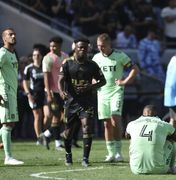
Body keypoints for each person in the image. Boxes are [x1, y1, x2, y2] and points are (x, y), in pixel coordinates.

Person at [59, 38, 106, 167]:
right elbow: (61, 80)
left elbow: (103, 81)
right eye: (80, 47)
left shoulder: (92, 65)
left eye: (85, 47)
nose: (82, 50)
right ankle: (68, 154)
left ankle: (85, 158)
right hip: (71, 102)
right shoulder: (67, 63)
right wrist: (62, 91)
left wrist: (90, 87)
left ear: (88, 49)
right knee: (68, 132)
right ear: (75, 48)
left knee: (87, 127)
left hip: (87, 102)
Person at [93, 33, 140, 162]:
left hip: (116, 91)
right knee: (106, 123)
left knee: (115, 118)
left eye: (102, 46)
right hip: (102, 93)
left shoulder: (120, 55)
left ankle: (119, 152)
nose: (100, 48)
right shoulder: (96, 58)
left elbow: (135, 68)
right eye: (98, 46)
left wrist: (125, 81)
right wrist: (93, 81)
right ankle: (111, 153)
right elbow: (93, 74)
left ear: (109, 45)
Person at [126, 105, 176, 174]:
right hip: (159, 169)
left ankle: (135, 162)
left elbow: (127, 136)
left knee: (132, 140)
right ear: (156, 114)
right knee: (171, 141)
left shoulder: (132, 124)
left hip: (135, 170)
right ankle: (172, 168)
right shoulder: (163, 124)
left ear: (143, 114)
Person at [39, 37, 68, 150]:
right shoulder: (47, 58)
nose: (52, 48)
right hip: (53, 92)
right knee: (56, 117)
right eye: (51, 46)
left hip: (63, 91)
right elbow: (46, 77)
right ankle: (57, 143)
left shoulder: (65, 56)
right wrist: (49, 94)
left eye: (55, 46)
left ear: (60, 45)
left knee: (65, 116)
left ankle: (46, 134)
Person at [0, 28, 24, 165]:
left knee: (12, 123)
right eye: (10, 34)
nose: (13, 36)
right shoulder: (2, 53)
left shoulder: (13, 53)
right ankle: (8, 157)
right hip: (5, 91)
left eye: (14, 34)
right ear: (4, 38)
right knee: (7, 123)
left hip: (12, 92)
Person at [22, 48, 50, 145]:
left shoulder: (45, 66)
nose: (36, 57)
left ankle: (44, 134)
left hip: (45, 94)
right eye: (34, 55)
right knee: (38, 116)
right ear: (32, 57)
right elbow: (24, 82)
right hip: (34, 95)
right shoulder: (29, 68)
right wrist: (28, 94)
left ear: (41, 56)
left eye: (38, 55)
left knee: (48, 115)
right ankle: (39, 138)